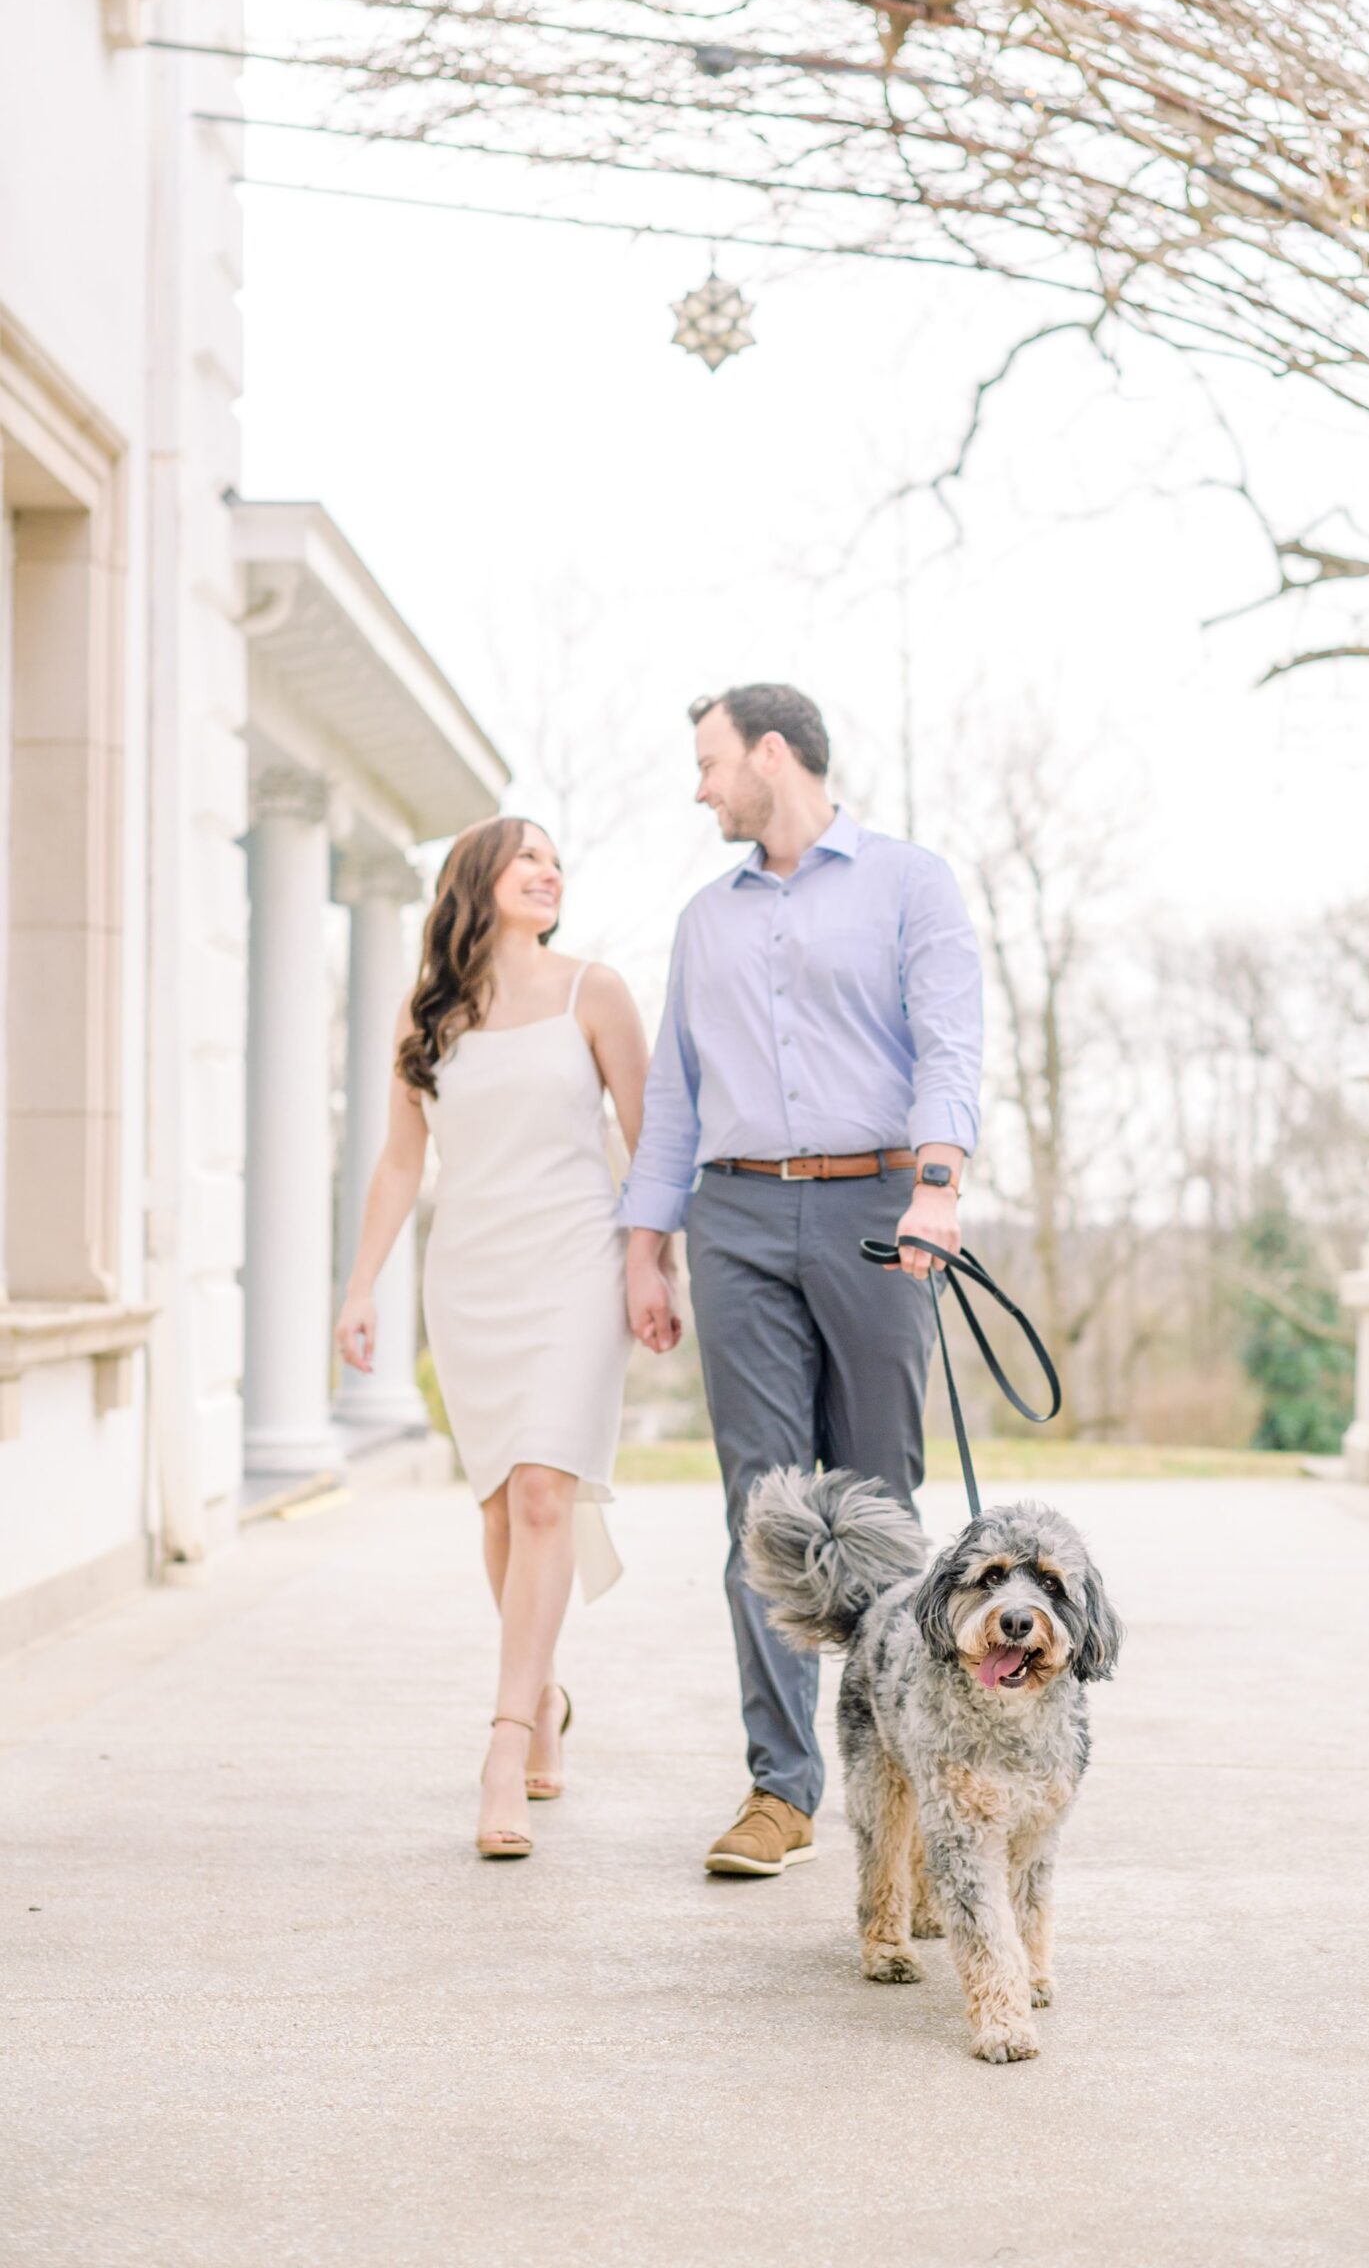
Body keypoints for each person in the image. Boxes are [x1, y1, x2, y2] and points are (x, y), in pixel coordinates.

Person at [623, 683, 983, 1879]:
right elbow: (675, 1088)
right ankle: (779, 1788)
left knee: (879, 1497)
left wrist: (936, 1181)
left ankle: (911, 1774)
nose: (701, 786)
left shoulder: (905, 880)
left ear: (772, 754)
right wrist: (647, 1242)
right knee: (761, 1509)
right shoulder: (701, 920)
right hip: (732, 1212)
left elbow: (948, 1037)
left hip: (874, 1202)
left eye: (711, 761)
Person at [334, 816, 657, 1861]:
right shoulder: (425, 1013)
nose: (548, 871)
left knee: (541, 1493)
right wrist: (359, 1288)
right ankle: (545, 1688)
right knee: (497, 1519)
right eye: (528, 856)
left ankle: (504, 1744)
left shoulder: (592, 991)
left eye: (557, 860)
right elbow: (397, 1163)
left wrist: (660, 1264)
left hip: (575, 1262)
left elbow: (654, 1142)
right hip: (468, 1275)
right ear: (476, 878)